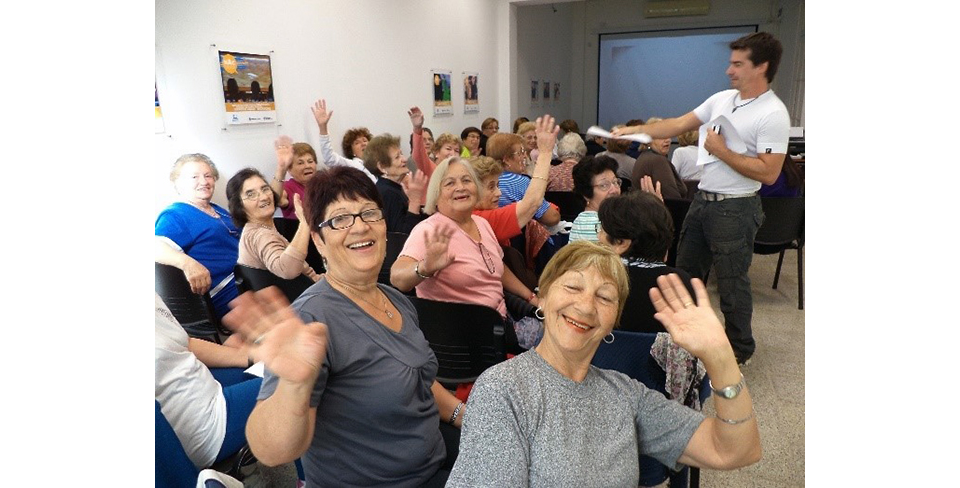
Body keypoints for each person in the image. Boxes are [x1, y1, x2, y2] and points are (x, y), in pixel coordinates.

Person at [447, 241, 761, 486]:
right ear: (542, 297)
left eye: (605, 297)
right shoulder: (503, 389)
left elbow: (735, 450)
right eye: (573, 286)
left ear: (613, 321)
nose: (585, 306)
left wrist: (720, 357)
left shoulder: (625, 394)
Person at [235, 166, 465, 487]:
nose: (359, 226)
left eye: (369, 213)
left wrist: (462, 415)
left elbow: (419, 378)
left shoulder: (395, 299)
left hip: (433, 458)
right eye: (340, 219)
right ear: (318, 240)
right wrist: (294, 385)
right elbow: (273, 451)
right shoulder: (311, 319)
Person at [612, 32, 790, 364]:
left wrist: (721, 151)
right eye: (731, 63)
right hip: (703, 201)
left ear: (762, 67)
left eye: (738, 64)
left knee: (732, 283)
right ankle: (681, 338)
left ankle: (739, 349)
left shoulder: (773, 113)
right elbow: (679, 123)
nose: (729, 70)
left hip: (736, 205)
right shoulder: (722, 99)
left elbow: (769, 173)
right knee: (684, 272)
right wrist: (634, 131)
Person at [390, 156, 540, 322]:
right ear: (436, 194)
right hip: (462, 331)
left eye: (466, 180)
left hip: (501, 321)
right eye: (450, 183)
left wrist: (531, 297)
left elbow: (495, 268)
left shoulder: (481, 223)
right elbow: (397, 278)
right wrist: (424, 268)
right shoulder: (430, 230)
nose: (460, 187)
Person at [155, 293, 261, 471]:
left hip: (198, 385)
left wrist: (250, 357)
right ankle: (307, 480)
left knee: (270, 359)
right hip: (201, 426)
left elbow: (185, 344)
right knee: (299, 376)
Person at [155, 153, 240, 319]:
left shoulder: (219, 210)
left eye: (208, 176)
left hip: (247, 281)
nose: (204, 181)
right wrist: (188, 264)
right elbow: (154, 247)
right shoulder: (176, 215)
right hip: (227, 295)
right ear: (178, 183)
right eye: (194, 177)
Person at [597, 191, 695, 333]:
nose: (598, 236)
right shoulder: (683, 283)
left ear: (621, 243)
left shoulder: (597, 280)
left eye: (601, 230)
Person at [469, 115, 559, 247]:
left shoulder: (473, 216)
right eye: (520, 152)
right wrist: (545, 153)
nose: (499, 193)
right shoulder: (483, 220)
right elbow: (549, 215)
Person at [227, 167, 321, 282]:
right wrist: (305, 224)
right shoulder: (260, 235)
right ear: (238, 205)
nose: (264, 197)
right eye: (251, 194)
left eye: (265, 189)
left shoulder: (253, 231)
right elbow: (287, 270)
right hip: (312, 290)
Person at [488, 132, 561, 229]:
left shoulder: (485, 183)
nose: (525, 156)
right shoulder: (520, 182)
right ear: (507, 160)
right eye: (520, 153)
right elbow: (552, 218)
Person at [363, 132, 428, 234]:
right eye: (397, 157)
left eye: (401, 154)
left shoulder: (390, 187)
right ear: (382, 167)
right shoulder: (388, 193)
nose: (404, 159)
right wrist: (415, 200)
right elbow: (402, 234)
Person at [309, 98, 377, 182]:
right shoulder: (353, 166)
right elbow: (330, 158)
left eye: (365, 140)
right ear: (352, 152)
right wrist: (323, 127)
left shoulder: (380, 163)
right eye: (357, 143)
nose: (363, 144)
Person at [569, 155, 621, 243]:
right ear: (586, 194)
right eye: (604, 185)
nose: (614, 190)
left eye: (615, 182)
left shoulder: (605, 218)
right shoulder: (595, 225)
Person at [632, 117, 688, 200]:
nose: (668, 140)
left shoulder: (644, 157)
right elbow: (672, 198)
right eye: (662, 136)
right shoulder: (658, 161)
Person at [268, 135, 320, 220]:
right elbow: (275, 200)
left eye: (310, 161)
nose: (307, 166)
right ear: (289, 169)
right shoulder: (288, 187)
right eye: (300, 163)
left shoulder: (324, 182)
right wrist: (281, 168)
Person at [409, 106, 462, 180]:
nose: (453, 153)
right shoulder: (431, 168)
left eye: (456, 150)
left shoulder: (460, 171)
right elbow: (419, 156)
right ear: (437, 152)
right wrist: (417, 128)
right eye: (448, 149)